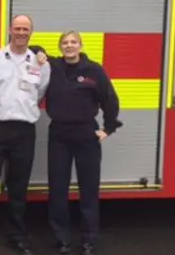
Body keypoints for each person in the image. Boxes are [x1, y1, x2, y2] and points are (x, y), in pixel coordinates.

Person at [31, 31, 122, 255]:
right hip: (59, 134)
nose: (69, 46)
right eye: (65, 43)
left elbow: (110, 99)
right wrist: (40, 53)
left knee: (89, 188)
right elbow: (31, 48)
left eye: (73, 42)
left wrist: (108, 128)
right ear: (60, 47)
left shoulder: (94, 70)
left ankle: (88, 239)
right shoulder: (52, 66)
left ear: (80, 46)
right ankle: (61, 238)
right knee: (57, 189)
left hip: (86, 134)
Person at [0, 14, 51, 255]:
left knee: (18, 185)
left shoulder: (40, 63)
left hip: (24, 131)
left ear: (31, 33)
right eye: (18, 28)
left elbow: (39, 94)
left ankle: (17, 235)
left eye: (26, 29)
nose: (22, 32)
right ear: (9, 30)